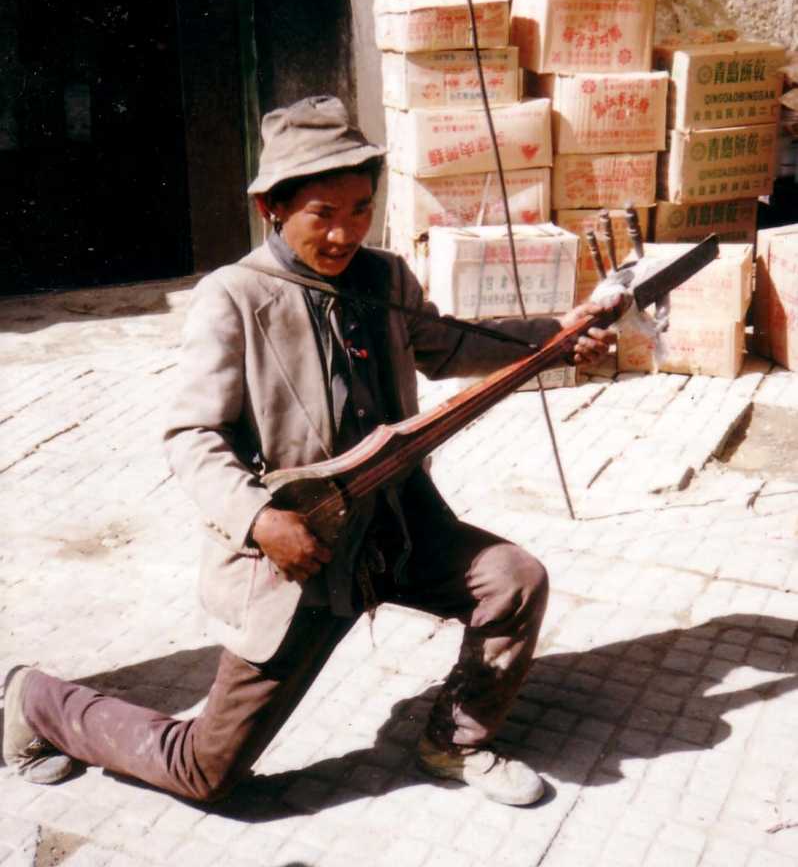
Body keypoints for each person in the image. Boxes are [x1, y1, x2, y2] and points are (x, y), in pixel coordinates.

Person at [4, 95, 615, 807]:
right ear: (273, 208)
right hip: (304, 557)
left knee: (513, 578)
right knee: (204, 773)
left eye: (361, 208)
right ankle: (37, 701)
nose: (346, 231)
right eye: (323, 212)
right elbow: (191, 437)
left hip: (399, 533)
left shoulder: (385, 280)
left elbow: (448, 345)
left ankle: (455, 741)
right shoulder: (232, 298)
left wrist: (559, 337)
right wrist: (263, 521)